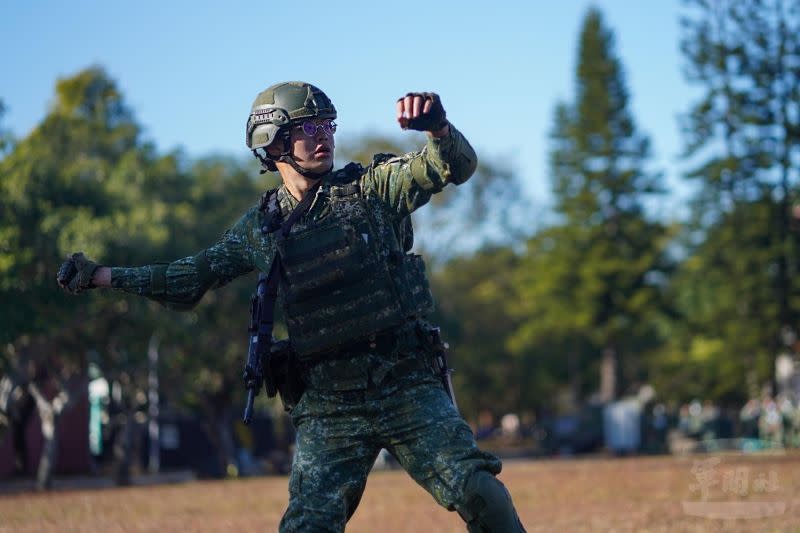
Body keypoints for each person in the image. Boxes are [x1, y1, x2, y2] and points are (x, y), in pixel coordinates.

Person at [57, 81, 526, 532]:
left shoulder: (373, 189)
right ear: (273, 142)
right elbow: (188, 279)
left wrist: (438, 128)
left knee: (479, 491)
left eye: (328, 125)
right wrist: (103, 276)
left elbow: (453, 166)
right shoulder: (260, 228)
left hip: (406, 382)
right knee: (308, 526)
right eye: (307, 127)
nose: (323, 136)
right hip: (329, 406)